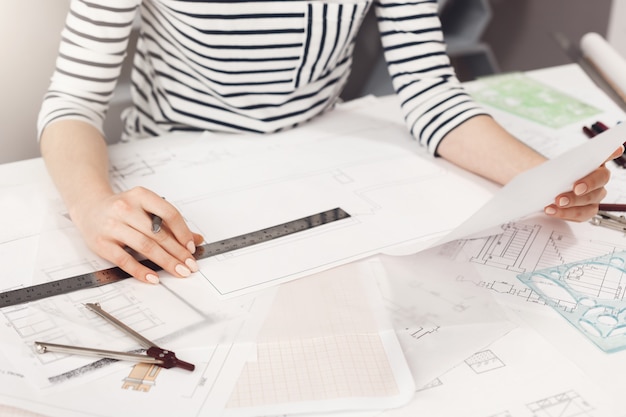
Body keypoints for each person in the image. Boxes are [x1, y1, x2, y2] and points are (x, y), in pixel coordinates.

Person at [38, 0, 620, 285]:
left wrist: (544, 178)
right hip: (176, 170)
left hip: (320, 161)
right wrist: (91, 205)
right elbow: (73, 99)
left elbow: (427, 91)